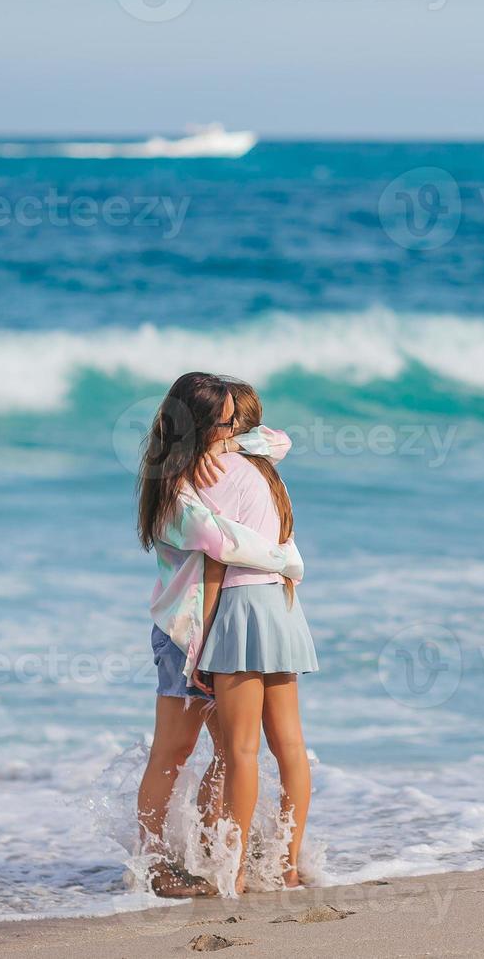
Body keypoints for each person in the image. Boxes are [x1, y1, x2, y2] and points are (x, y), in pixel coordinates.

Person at [134, 372, 301, 897]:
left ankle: (211, 849)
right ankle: (152, 862)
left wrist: (229, 438)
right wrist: (286, 559)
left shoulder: (215, 459)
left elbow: (276, 439)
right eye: (222, 423)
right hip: (183, 633)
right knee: (173, 750)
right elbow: (222, 543)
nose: (234, 431)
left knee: (231, 751)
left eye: (234, 422)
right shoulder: (174, 489)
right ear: (192, 424)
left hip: (219, 627)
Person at [191, 380, 317, 894]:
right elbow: (276, 439)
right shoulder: (269, 472)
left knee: (239, 750)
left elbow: (216, 561)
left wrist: (198, 644)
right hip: (283, 605)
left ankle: (235, 871)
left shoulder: (214, 472)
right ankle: (286, 866)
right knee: (289, 744)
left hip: (241, 609)